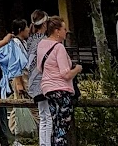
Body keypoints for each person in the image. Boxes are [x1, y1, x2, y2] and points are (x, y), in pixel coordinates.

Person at [34, 18, 81, 146]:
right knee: (63, 124)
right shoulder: (59, 47)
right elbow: (65, 74)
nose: (66, 32)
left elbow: (39, 67)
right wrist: (77, 69)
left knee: (55, 122)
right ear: (57, 31)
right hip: (61, 89)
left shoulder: (41, 45)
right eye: (64, 29)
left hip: (48, 88)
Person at [24, 11, 51, 146]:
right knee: (48, 116)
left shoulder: (30, 40)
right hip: (44, 79)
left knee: (42, 115)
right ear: (45, 23)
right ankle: (47, 143)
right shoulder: (45, 41)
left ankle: (43, 143)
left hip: (32, 80)